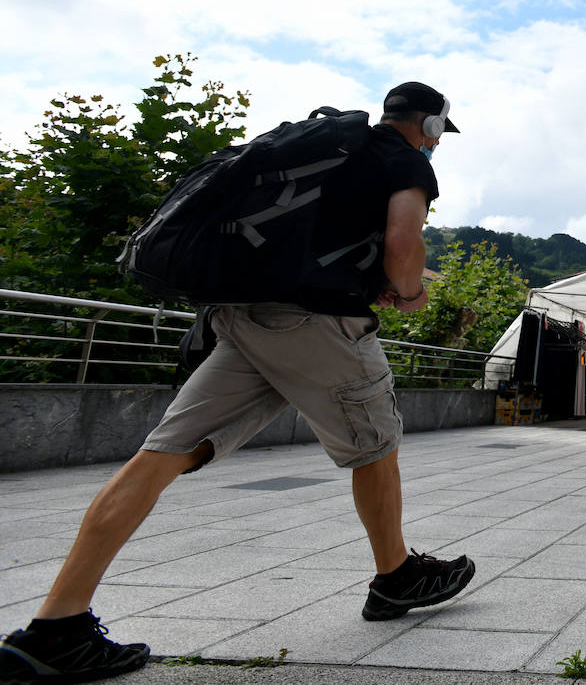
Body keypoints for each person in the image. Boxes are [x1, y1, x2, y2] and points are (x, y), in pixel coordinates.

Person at [0, 82, 474, 684]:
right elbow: (406, 243)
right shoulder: (402, 160)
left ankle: (56, 627)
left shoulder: (325, 151)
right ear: (431, 127)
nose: (438, 146)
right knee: (375, 446)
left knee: (160, 454)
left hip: (245, 319)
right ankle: (396, 577)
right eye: (439, 135)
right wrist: (410, 292)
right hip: (317, 326)